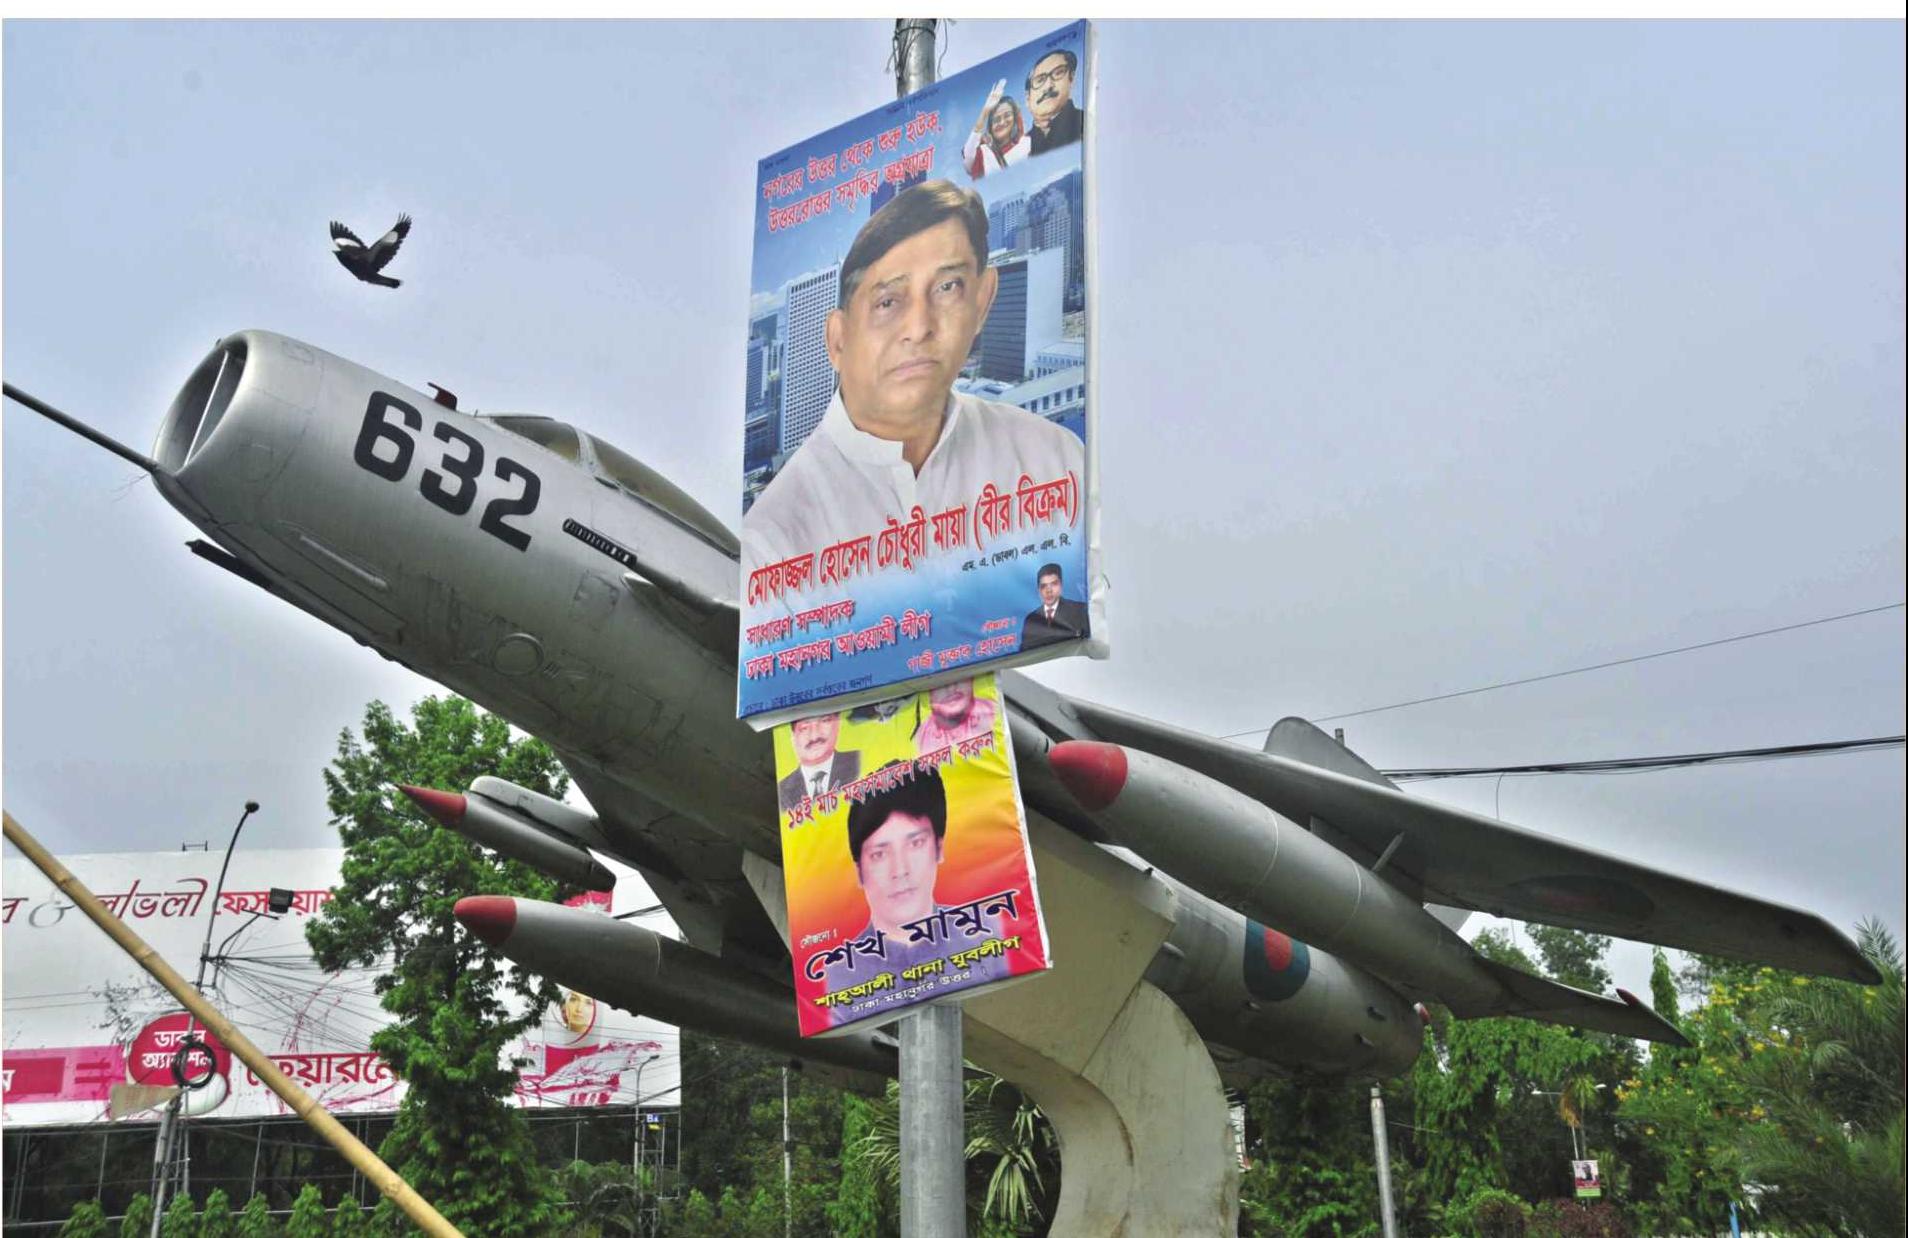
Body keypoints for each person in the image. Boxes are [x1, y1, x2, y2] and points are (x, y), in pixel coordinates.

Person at [743, 180, 1084, 578]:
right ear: (838, 340)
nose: (920, 327)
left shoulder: (1053, 461)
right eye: (887, 302)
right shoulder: (772, 546)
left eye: (947, 287)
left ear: (982, 301)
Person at [835, 764, 1013, 997]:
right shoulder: (836, 977)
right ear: (859, 870)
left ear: (939, 848)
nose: (900, 870)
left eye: (915, 844)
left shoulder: (990, 936)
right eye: (879, 854)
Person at [778, 711, 861, 813]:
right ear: (793, 738)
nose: (814, 736)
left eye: (824, 721)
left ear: (838, 725)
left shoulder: (860, 761)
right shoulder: (780, 792)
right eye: (804, 728)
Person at [962, 80, 1031, 179]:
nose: (1002, 122)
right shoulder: (984, 152)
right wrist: (985, 111)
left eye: (1007, 115)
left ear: (1015, 118)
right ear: (990, 126)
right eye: (996, 120)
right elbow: (968, 154)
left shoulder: (1027, 143)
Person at [1024, 48, 1084, 156]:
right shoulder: (1020, 149)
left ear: (1071, 79)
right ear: (1028, 99)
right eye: (1040, 80)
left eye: (1058, 73)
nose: (1048, 86)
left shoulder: (1086, 122)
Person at [912, 679, 997, 751]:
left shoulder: (996, 713)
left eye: (959, 677)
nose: (951, 688)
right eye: (939, 684)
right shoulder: (921, 736)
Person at [1019, 562, 1089, 650]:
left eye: (1054, 584)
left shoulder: (1079, 610)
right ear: (1039, 590)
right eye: (1043, 586)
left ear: (1061, 586)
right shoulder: (1030, 620)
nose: (1049, 590)